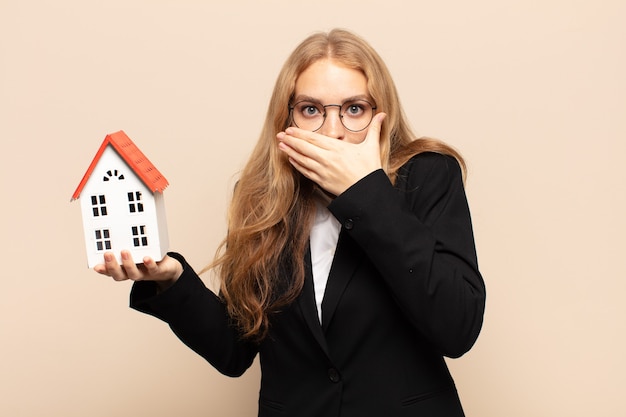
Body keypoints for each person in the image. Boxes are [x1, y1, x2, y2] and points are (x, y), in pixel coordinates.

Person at [95, 28, 486, 417]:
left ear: (380, 114)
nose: (332, 131)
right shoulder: (260, 199)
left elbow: (457, 327)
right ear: (288, 119)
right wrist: (171, 278)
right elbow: (235, 349)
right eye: (311, 109)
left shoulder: (427, 176)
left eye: (354, 109)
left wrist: (366, 194)